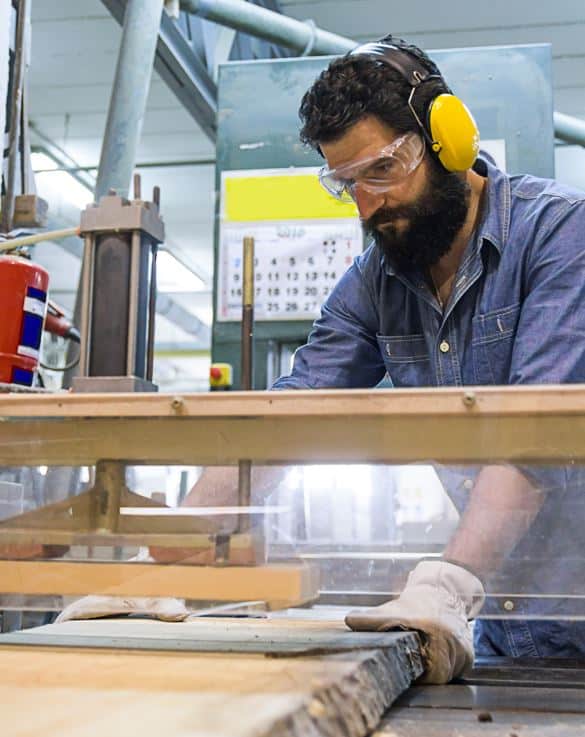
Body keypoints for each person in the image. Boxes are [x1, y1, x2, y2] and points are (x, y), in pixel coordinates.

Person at [51, 35, 585, 683]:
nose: (367, 206)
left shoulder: (559, 235)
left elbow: (537, 436)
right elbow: (286, 422)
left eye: (382, 171)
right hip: (509, 623)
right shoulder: (374, 283)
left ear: (445, 139)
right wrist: (165, 563)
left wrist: (443, 584)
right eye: (346, 183)